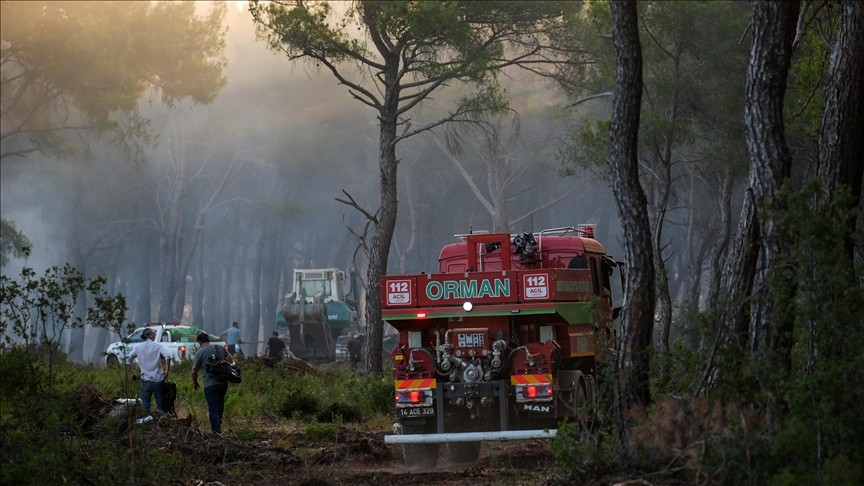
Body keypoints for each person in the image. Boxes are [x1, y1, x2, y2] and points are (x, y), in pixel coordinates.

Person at [192, 332, 234, 435]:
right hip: (223, 382)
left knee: (212, 407)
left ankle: (216, 431)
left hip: (209, 384)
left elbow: (194, 371)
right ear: (209, 340)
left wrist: (195, 382)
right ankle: (218, 423)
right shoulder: (219, 347)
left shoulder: (200, 352)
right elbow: (231, 360)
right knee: (220, 403)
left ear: (199, 342)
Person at [129, 328, 171, 414]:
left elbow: (128, 358)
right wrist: (167, 370)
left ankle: (146, 422)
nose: (155, 336)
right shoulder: (158, 346)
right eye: (154, 334)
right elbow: (168, 356)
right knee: (160, 406)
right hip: (158, 379)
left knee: (145, 407)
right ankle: (162, 422)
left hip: (145, 380)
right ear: (150, 335)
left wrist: (134, 373)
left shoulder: (137, 347)